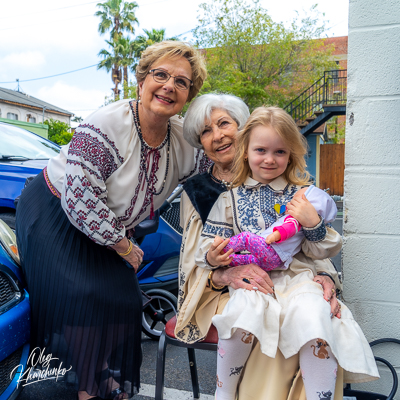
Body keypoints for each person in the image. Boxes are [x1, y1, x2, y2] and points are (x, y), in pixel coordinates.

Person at [15, 41, 208, 400]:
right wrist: (123, 245)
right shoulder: (107, 124)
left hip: (109, 228)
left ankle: (98, 374)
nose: (169, 85)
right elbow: (79, 199)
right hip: (55, 213)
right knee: (83, 294)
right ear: (142, 81)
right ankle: (86, 388)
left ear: (188, 95)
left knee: (123, 300)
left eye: (181, 82)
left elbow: (218, 174)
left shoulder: (184, 140)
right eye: (160, 75)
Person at [195, 106, 379, 400]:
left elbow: (319, 250)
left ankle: (320, 395)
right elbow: (208, 245)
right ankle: (223, 392)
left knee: (313, 314)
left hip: (296, 276)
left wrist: (312, 222)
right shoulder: (228, 198)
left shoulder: (303, 195)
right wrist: (215, 257)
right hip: (255, 278)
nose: (269, 159)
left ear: (291, 155)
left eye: (280, 152)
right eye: (261, 150)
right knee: (244, 311)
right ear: (245, 151)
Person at [214, 185, 338, 270]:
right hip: (276, 262)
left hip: (271, 250)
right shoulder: (296, 219)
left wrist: (273, 236)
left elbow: (288, 229)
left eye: (294, 199)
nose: (290, 201)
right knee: (248, 260)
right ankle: (228, 259)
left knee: (246, 238)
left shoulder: (295, 219)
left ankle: (224, 249)